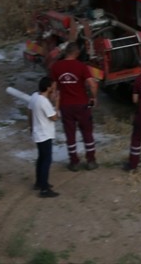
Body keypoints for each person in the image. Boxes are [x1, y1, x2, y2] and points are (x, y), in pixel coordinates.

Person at [50, 41, 98, 171]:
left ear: (66, 52)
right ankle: (91, 161)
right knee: (87, 133)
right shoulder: (82, 66)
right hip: (83, 105)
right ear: (76, 53)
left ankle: (74, 162)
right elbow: (93, 85)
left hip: (65, 106)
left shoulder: (56, 67)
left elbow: (53, 89)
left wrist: (55, 105)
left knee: (70, 135)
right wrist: (93, 98)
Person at [28, 76, 60, 197]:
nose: (55, 89)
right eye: (53, 87)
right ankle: (44, 189)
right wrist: (57, 102)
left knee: (41, 158)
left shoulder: (34, 96)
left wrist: (31, 127)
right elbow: (54, 117)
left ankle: (39, 182)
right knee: (46, 160)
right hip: (45, 134)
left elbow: (29, 112)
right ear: (48, 88)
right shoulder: (44, 102)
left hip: (38, 133)